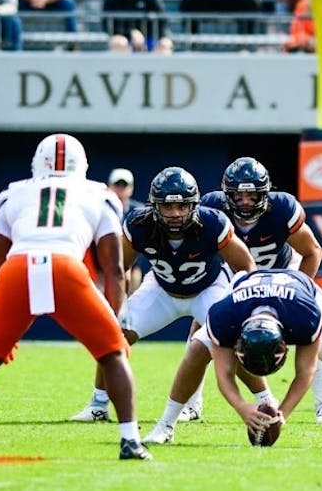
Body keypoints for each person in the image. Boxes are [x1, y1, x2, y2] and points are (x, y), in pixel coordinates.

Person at [0, 134, 151, 459]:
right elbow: (114, 268)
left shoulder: (15, 193)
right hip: (66, 266)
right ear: (83, 165)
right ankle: (130, 440)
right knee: (113, 355)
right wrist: (113, 319)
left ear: (38, 162)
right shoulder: (99, 195)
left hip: (19, 267)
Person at [69, 165, 256, 423]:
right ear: (155, 206)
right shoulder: (139, 224)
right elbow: (119, 267)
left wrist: (237, 305)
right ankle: (98, 404)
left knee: (231, 342)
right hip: (162, 289)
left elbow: (246, 266)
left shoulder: (212, 223)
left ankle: (264, 402)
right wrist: (116, 306)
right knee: (115, 335)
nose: (175, 214)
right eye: (167, 207)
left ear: (194, 205)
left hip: (209, 289)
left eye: (181, 206)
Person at [141, 269, 322, 449]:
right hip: (242, 289)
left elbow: (305, 372)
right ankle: (165, 425)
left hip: (300, 289)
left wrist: (283, 413)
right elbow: (224, 373)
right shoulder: (225, 314)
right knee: (197, 349)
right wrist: (242, 408)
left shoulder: (304, 313)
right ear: (237, 338)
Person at [181, 157, 322, 424]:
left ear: (264, 194)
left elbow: (312, 251)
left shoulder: (282, 208)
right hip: (237, 275)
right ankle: (191, 404)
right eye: (238, 195)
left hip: (283, 271)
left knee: (312, 331)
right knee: (203, 328)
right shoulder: (212, 206)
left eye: (251, 195)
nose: (244, 201)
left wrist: (298, 292)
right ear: (226, 194)